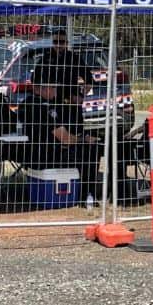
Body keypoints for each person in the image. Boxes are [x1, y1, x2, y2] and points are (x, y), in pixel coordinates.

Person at [17, 71, 102, 205]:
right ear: (43, 88)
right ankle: (86, 195)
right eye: (53, 87)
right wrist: (84, 139)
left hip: (30, 154)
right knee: (90, 149)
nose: (56, 90)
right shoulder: (45, 108)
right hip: (48, 156)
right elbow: (65, 139)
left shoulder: (25, 103)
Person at [32, 29, 95, 102]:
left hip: (71, 102)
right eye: (55, 42)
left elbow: (89, 80)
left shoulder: (74, 59)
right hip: (51, 103)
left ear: (67, 43)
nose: (58, 45)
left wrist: (81, 96)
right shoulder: (45, 59)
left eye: (61, 42)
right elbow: (34, 80)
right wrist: (44, 93)